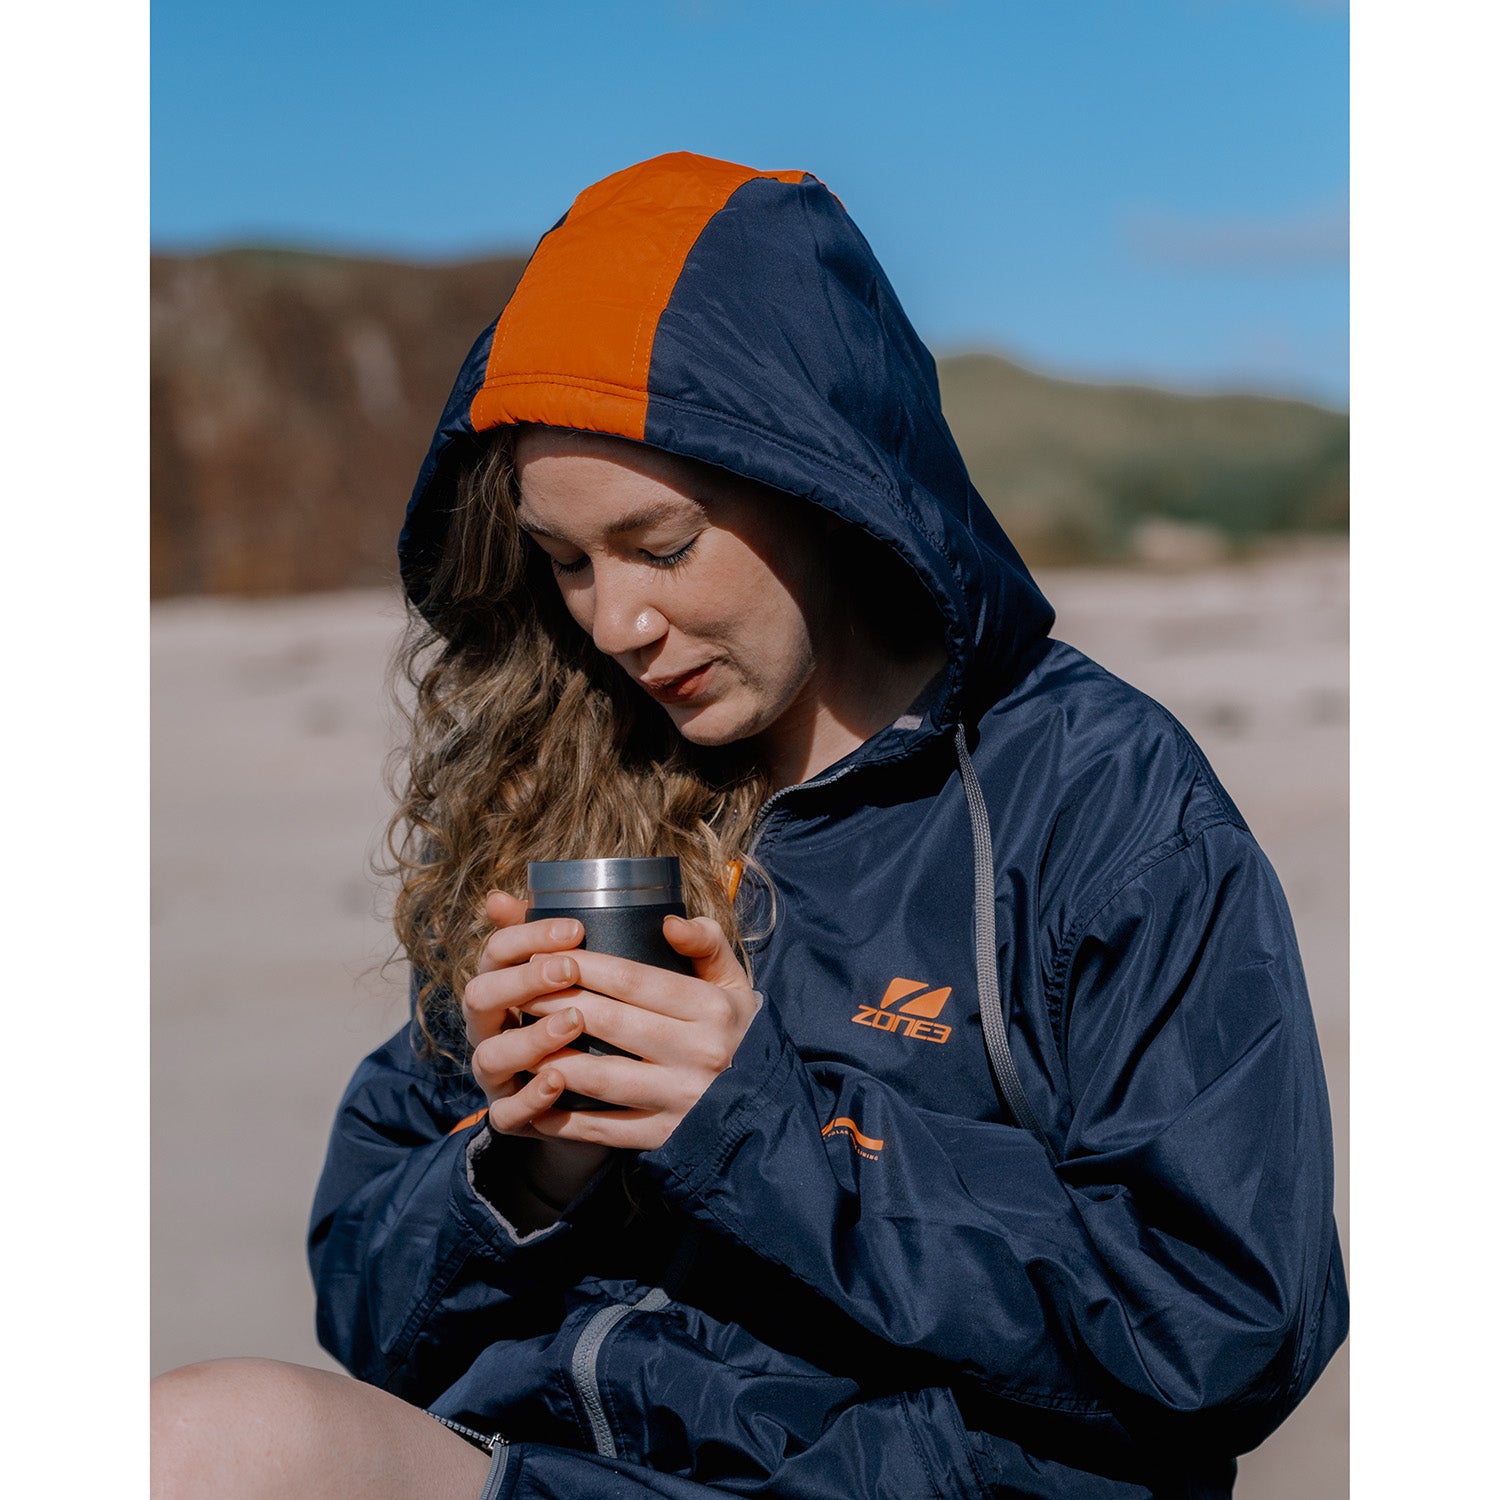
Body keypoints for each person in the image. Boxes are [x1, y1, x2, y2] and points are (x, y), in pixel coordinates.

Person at [151, 152, 1347, 1499]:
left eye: (661, 545)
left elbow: (1226, 1322)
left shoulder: (1098, 797)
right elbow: (367, 1315)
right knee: (185, 1446)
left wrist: (763, 1125)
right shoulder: (575, 768)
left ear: (823, 482)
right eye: (566, 563)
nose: (616, 623)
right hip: (560, 1471)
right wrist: (526, 1167)